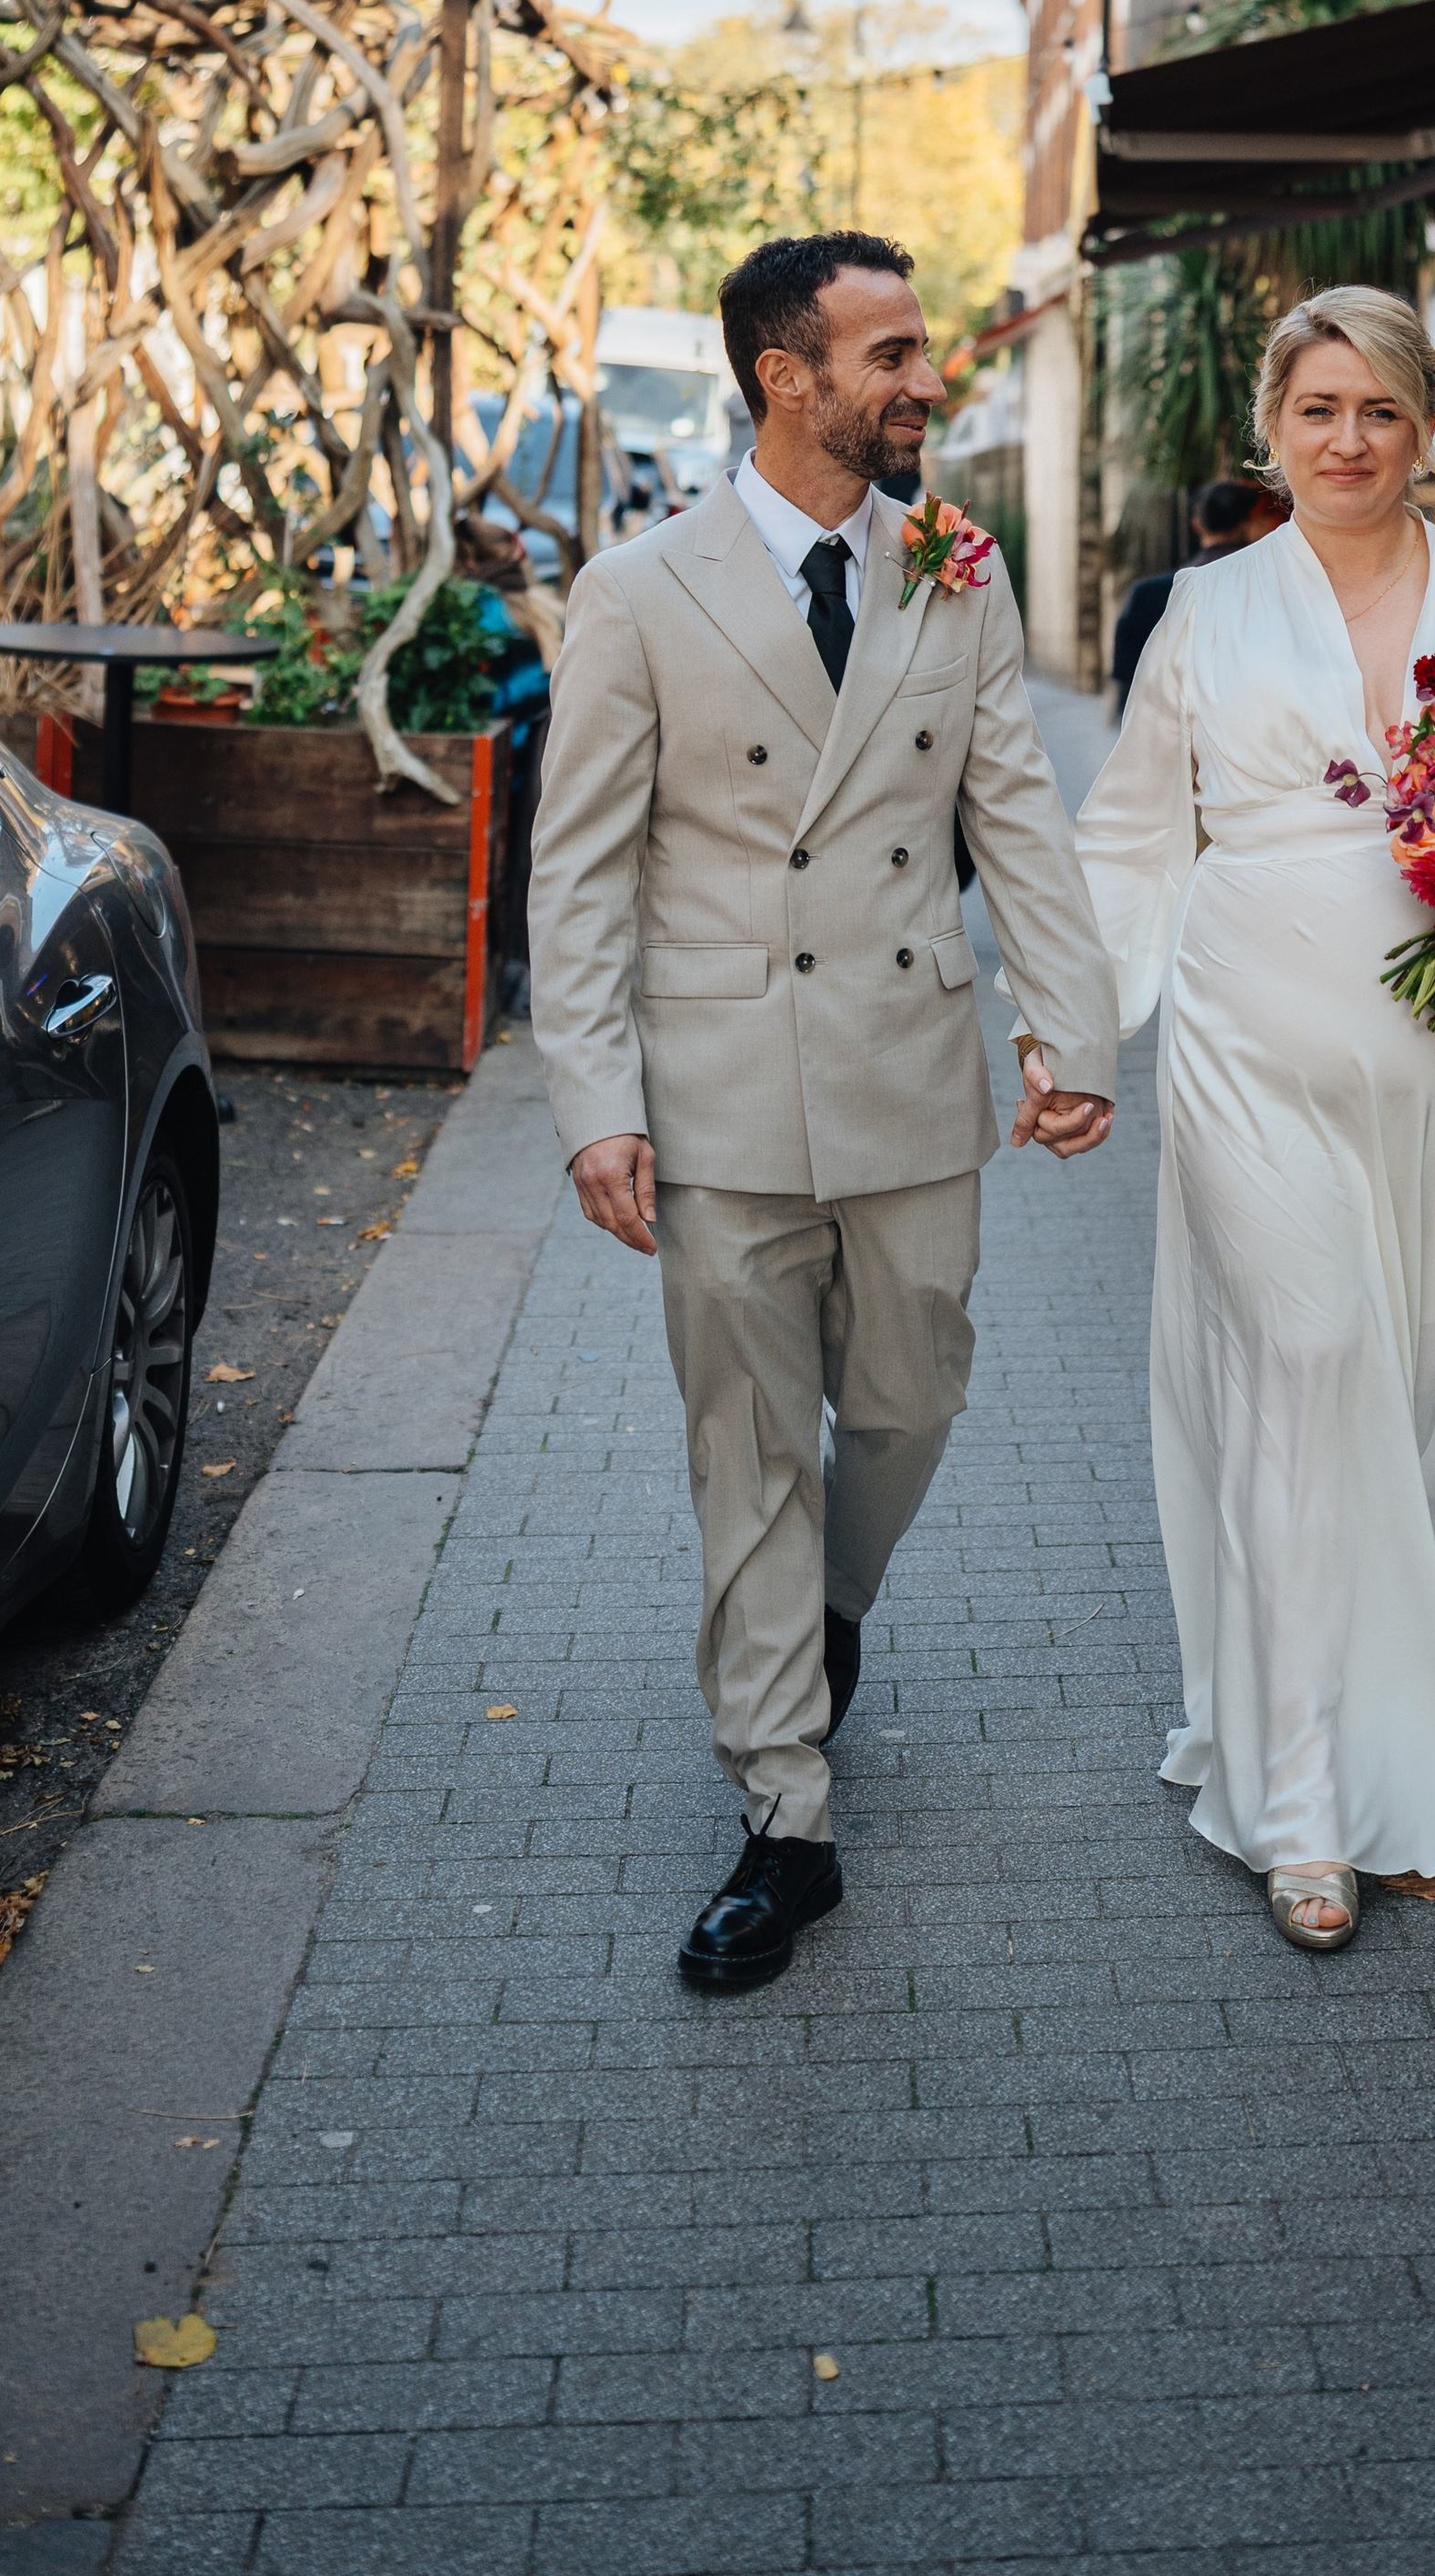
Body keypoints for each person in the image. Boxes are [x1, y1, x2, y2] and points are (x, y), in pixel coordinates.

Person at [527, 231, 1119, 1993]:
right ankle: (782, 1814)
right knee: (750, 1450)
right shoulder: (639, 590)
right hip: (716, 1095)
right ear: (786, 377)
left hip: (910, 1069)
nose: (922, 378)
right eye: (889, 353)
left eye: (918, 350)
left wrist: (1070, 1029)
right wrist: (591, 1103)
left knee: (911, 1393)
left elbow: (1012, 809)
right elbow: (578, 876)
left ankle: (827, 1619)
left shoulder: (952, 566)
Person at [1073, 288, 1435, 1952]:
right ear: (1275, 424)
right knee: (1308, 1365)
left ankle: (1360, 1699)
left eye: (1378, 411)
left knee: (1399, 1398)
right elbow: (1129, 836)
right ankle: (1308, 1800)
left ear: (1425, 422)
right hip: (1250, 1046)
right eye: (1318, 409)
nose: (1346, 441)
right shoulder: (1206, 606)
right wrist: (1076, 1035)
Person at [1111, 480, 1259, 708]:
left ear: (1197, 525)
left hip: (1170, 717)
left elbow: (1126, 671)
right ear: (1248, 522)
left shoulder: (1149, 593)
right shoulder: (1265, 586)